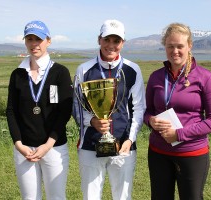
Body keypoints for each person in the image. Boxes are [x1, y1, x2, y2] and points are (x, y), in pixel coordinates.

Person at [144, 22, 211, 200]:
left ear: (189, 46)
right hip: (158, 152)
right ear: (165, 46)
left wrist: (178, 134)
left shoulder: (205, 77)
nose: (175, 51)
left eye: (180, 46)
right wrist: (150, 120)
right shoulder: (156, 76)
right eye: (170, 46)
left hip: (192, 153)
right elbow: (146, 111)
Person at [72, 19, 146, 200]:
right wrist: (92, 121)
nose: (111, 45)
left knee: (122, 196)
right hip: (90, 144)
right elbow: (76, 106)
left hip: (123, 145)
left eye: (116, 41)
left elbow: (139, 107)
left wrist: (130, 139)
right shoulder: (84, 69)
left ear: (123, 43)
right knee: (90, 196)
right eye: (107, 40)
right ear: (99, 40)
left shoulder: (132, 70)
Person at [6, 20, 73, 200]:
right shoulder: (17, 74)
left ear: (48, 41)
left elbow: (64, 112)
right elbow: (11, 111)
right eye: (30, 39)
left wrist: (48, 144)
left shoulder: (60, 72)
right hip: (24, 149)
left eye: (39, 39)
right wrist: (19, 144)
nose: (34, 44)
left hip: (54, 147)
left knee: (56, 197)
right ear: (25, 42)